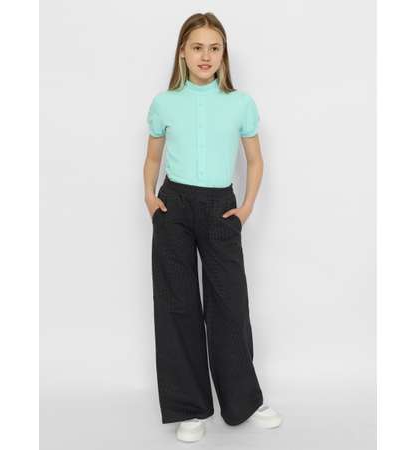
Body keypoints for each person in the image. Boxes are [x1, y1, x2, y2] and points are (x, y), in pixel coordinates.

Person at [143, 12, 283, 442]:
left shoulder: (240, 103)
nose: (206, 56)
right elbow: (153, 157)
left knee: (229, 304)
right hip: (174, 206)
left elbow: (255, 160)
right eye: (197, 47)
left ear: (224, 55)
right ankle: (190, 409)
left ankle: (244, 401)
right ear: (182, 53)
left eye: (214, 48)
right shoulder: (164, 102)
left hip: (221, 206)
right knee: (177, 305)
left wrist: (246, 207)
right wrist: (149, 196)